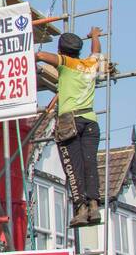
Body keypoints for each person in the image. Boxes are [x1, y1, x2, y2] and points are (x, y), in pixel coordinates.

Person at [36, 27, 104, 226]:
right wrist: (95, 36)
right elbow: (96, 51)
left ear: (61, 51)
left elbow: (41, 55)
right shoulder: (90, 64)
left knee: (73, 167)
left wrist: (29, 58)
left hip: (70, 122)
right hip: (91, 121)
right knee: (90, 164)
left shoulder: (66, 63)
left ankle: (81, 209)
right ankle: (94, 205)